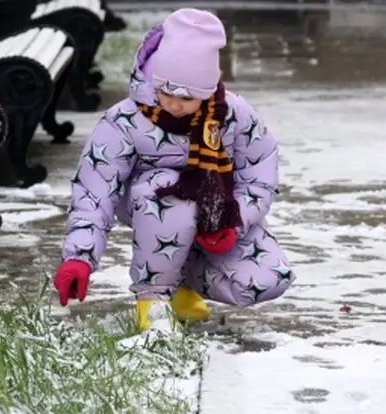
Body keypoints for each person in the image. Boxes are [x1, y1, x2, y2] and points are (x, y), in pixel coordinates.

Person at [53, 8, 295, 331]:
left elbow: (258, 174)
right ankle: (152, 298)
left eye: (188, 96)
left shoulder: (231, 115)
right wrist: (79, 257)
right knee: (172, 190)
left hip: (214, 214)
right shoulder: (126, 120)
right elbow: (94, 190)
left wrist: (233, 222)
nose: (175, 104)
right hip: (153, 207)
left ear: (207, 89)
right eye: (166, 91)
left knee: (269, 277)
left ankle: (179, 281)